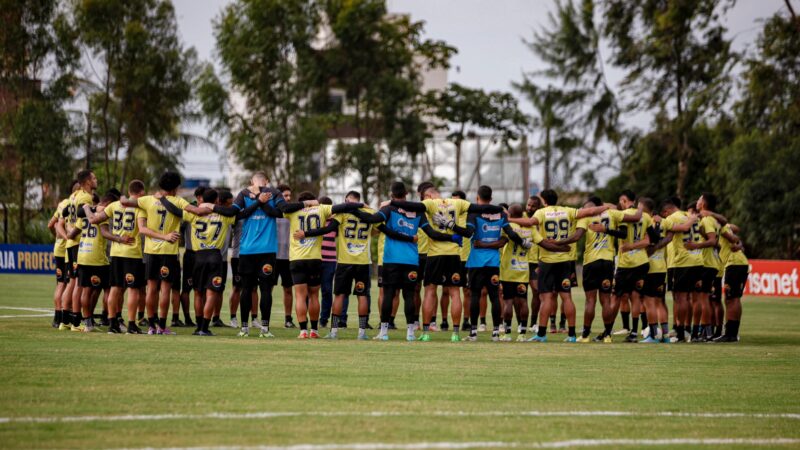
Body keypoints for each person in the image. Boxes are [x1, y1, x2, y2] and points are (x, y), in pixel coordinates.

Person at [352, 182, 458, 341]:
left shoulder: (389, 209)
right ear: (406, 194)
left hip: (391, 260)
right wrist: (453, 237)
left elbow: (372, 219)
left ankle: (384, 332)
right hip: (411, 260)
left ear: (391, 194)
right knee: (409, 295)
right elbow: (432, 233)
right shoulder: (417, 212)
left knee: (388, 294)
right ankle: (410, 333)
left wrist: (353, 210)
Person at [508, 189, 609, 342]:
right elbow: (590, 211)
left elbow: (529, 223)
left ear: (544, 200)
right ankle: (572, 335)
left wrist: (509, 219)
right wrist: (604, 208)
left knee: (546, 298)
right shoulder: (568, 211)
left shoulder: (541, 213)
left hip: (547, 262)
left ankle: (541, 334)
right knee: (567, 297)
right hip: (565, 261)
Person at [119, 171, 213, 335]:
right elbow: (197, 212)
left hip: (150, 251)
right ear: (176, 187)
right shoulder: (178, 201)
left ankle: (151, 326)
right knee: (165, 290)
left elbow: (125, 202)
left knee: (151, 289)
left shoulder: (147, 200)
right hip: (169, 252)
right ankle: (162, 327)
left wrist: (122, 198)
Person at [415, 184, 505, 342]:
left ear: (428, 196)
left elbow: (411, 206)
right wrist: (500, 210)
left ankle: (426, 332)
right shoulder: (457, 203)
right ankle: (455, 333)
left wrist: (390, 203)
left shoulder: (429, 203)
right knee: (455, 293)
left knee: (430, 291)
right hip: (454, 254)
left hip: (435, 254)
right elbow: (479, 208)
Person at [284, 192, 363, 338]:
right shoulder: (321, 209)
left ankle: (303, 331)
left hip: (297, 259)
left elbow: (282, 207)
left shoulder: (292, 211)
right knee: (314, 295)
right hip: (315, 259)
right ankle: (314, 330)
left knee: (300, 296)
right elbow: (344, 206)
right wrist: (360, 204)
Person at [559, 196, 637, 342]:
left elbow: (577, 237)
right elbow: (625, 231)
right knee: (606, 300)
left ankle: (586, 335)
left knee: (590, 301)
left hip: (591, 263)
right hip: (607, 262)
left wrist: (559, 243)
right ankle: (607, 335)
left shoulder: (586, 217)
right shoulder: (613, 214)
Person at [300, 191, 375, 340]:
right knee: (362, 296)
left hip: (344, 262)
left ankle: (334, 332)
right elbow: (380, 227)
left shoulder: (343, 213)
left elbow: (327, 229)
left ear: (347, 200)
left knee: (339, 295)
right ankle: (362, 332)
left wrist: (306, 233)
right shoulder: (370, 213)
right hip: (363, 261)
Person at [494, 203, 566, 342]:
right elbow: (543, 243)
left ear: (510, 214)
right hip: (523, 269)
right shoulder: (531, 228)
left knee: (507, 301)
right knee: (523, 301)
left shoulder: (508, 227)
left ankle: (507, 333)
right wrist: (561, 248)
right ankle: (522, 333)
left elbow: (501, 241)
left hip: (508, 269)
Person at [85, 180, 147, 334]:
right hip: (132, 253)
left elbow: (93, 220)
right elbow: (143, 228)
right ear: (140, 193)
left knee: (115, 288)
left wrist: (87, 208)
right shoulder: (140, 207)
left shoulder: (113, 206)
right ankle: (132, 325)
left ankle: (112, 323)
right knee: (133, 290)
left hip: (116, 253)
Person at [228, 172, 286, 337]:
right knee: (251, 289)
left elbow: (280, 213)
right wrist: (258, 202)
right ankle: (249, 327)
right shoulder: (244, 195)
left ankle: (257, 328)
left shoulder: (273, 193)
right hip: (250, 250)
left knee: (262, 289)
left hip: (261, 250)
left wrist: (262, 202)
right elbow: (236, 214)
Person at [179, 189, 237, 336]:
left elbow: (177, 210)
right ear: (217, 201)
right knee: (212, 294)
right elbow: (237, 213)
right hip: (215, 256)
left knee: (198, 293)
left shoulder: (194, 214)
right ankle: (204, 327)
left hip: (198, 256)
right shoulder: (223, 216)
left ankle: (198, 327)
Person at [69, 191, 118, 332]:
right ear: (109, 203)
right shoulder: (103, 214)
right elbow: (104, 233)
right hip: (98, 257)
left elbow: (72, 235)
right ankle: (111, 319)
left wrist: (66, 229)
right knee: (109, 288)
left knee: (86, 290)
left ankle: (88, 323)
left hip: (83, 254)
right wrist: (119, 239)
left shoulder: (84, 214)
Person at [659, 197, 702, 342]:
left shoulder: (673, 218)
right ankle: (687, 329)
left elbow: (678, 231)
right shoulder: (689, 216)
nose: (665, 216)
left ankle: (681, 332)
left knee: (681, 298)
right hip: (697, 260)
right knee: (689, 298)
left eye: (665, 213)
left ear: (669, 209)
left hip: (682, 262)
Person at [59, 169, 97, 331]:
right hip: (78, 243)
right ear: (88, 181)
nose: (96, 180)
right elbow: (83, 219)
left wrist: (68, 231)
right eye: (94, 178)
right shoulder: (86, 197)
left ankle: (65, 321)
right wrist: (72, 232)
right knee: (78, 284)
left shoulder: (73, 196)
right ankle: (76, 322)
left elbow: (65, 213)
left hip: (71, 244)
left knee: (71, 283)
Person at [686, 192, 723, 342]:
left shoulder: (707, 220)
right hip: (712, 263)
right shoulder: (712, 220)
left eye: (700, 199)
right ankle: (705, 332)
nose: (697, 201)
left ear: (704, 204)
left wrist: (696, 245)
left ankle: (702, 333)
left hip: (706, 264)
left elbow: (713, 240)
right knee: (704, 298)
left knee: (701, 299)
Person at [50, 180, 79, 329]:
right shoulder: (76, 202)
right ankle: (68, 317)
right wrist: (68, 237)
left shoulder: (62, 204)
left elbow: (52, 224)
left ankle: (58, 318)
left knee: (61, 283)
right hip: (69, 247)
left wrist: (58, 236)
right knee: (69, 283)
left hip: (59, 247)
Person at [716, 223, 748, 342]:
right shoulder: (720, 224)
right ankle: (731, 333)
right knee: (731, 299)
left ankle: (731, 333)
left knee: (732, 299)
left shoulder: (716, 223)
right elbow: (736, 229)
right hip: (736, 263)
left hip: (734, 262)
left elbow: (734, 234)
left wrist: (738, 243)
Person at [275, 184, 296, 328]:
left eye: (289, 195)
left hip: (289, 257)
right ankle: (262, 318)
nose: (288, 198)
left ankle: (288, 319)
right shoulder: (272, 212)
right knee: (267, 288)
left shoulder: (294, 213)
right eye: (285, 196)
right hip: (272, 256)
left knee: (288, 289)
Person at [318, 196, 338, 328]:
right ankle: (310, 317)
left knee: (327, 290)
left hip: (330, 260)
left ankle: (324, 319)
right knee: (311, 290)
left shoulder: (335, 222)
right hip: (314, 259)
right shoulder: (315, 220)